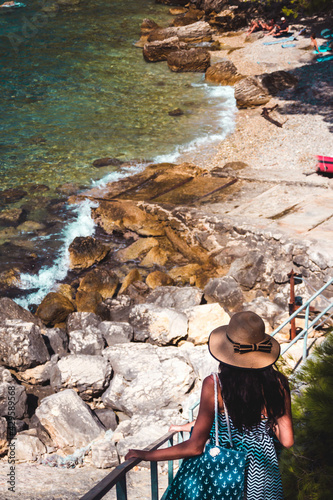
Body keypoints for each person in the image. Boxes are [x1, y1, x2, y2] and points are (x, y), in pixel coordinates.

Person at [125, 311, 294, 500]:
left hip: (226, 476)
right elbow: (287, 440)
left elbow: (195, 446)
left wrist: (147, 455)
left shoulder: (215, 385)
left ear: (227, 352)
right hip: (264, 478)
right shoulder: (278, 383)